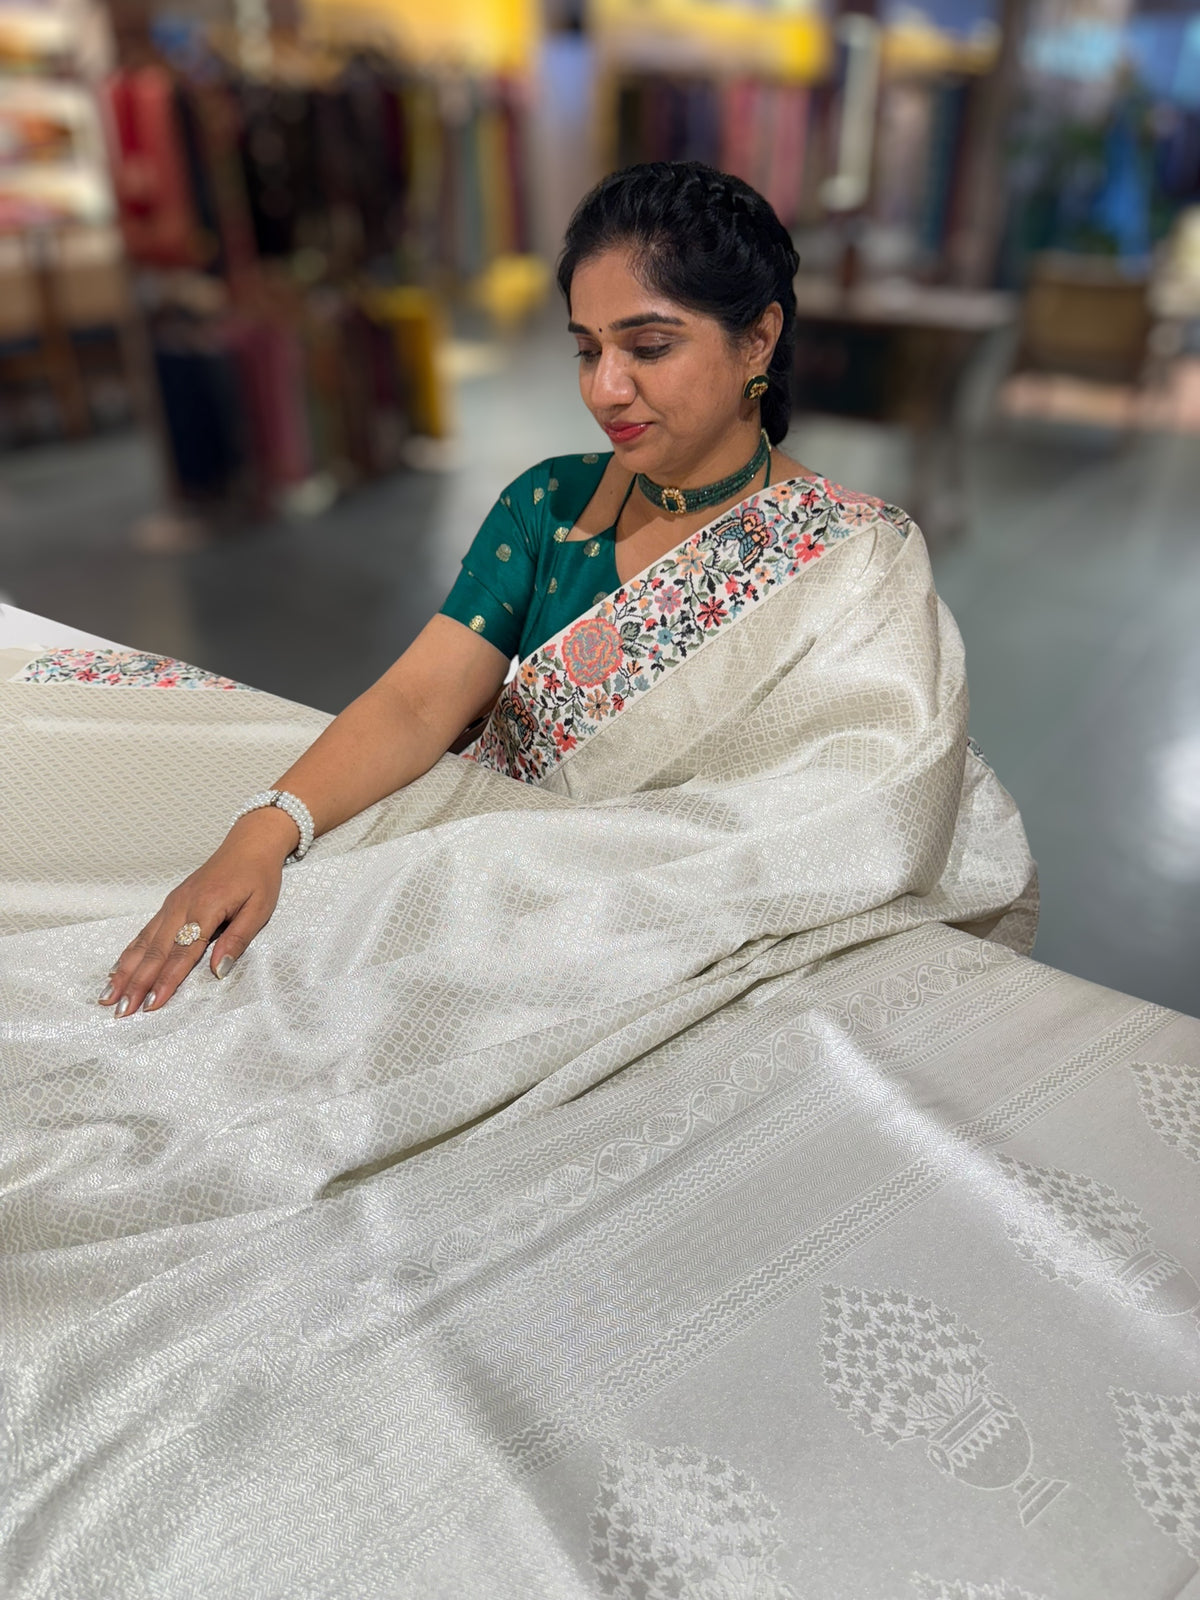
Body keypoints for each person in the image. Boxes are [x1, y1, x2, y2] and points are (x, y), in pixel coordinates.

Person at [95, 160, 1036, 1034]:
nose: (606, 389)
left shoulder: (857, 560)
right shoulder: (551, 506)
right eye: (587, 349)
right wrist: (265, 831)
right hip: (495, 912)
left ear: (760, 337)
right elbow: (421, 700)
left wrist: (633, 907)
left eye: (649, 345)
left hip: (697, 955)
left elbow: (866, 815)